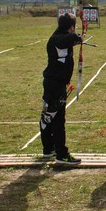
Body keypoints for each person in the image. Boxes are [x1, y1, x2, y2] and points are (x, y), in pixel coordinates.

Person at [40, 12, 83, 165]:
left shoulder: (61, 37)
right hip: (55, 85)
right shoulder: (58, 39)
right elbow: (71, 38)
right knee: (56, 118)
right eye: (74, 26)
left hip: (55, 83)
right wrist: (79, 34)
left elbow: (73, 39)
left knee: (50, 115)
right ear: (71, 27)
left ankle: (48, 149)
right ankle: (61, 154)